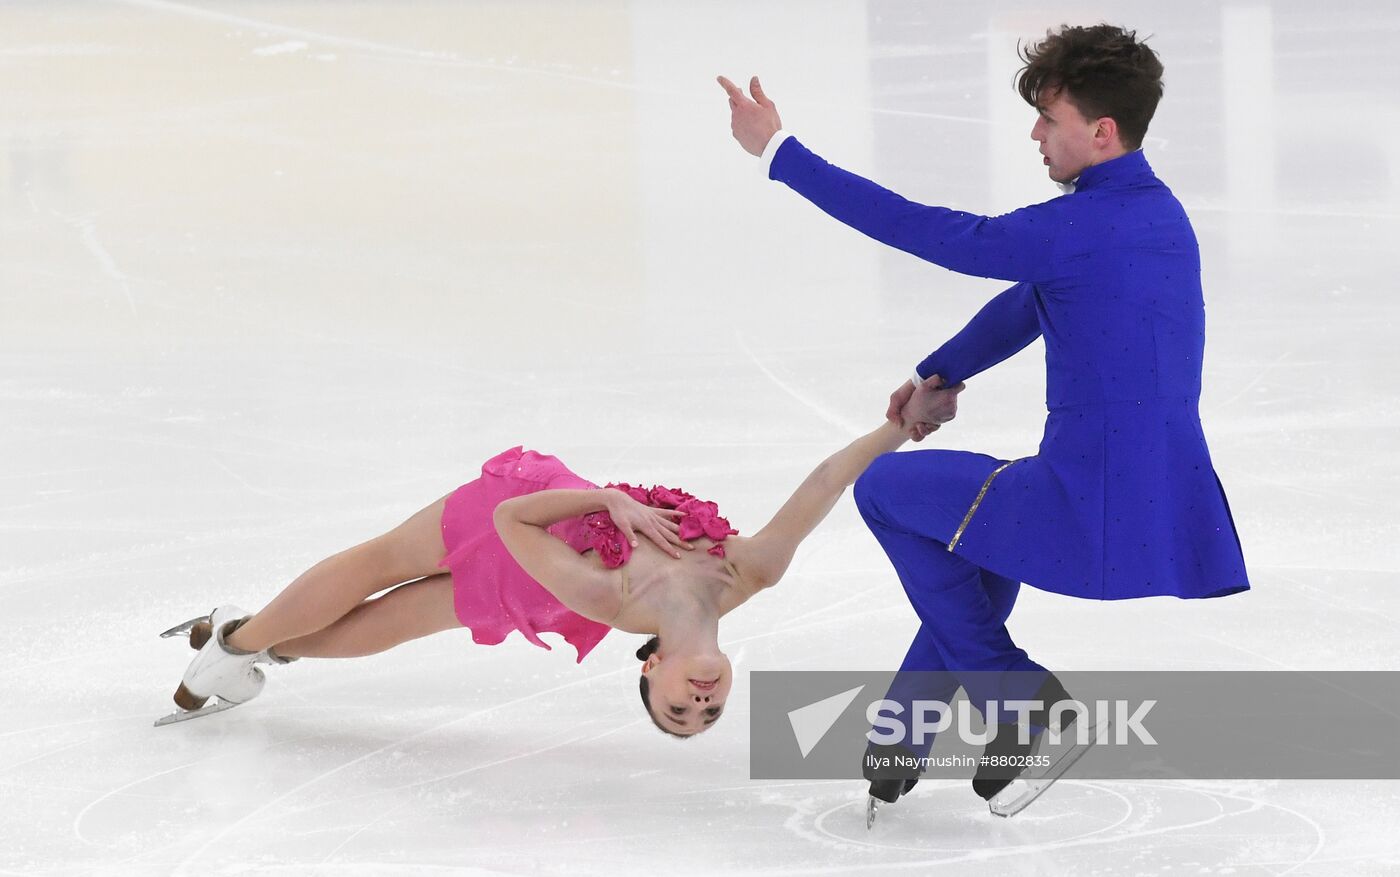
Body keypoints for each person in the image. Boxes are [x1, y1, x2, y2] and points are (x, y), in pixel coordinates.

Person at [719, 23, 1250, 805]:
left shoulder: (1075, 228)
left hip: (1088, 498)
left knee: (886, 492)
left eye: (1050, 118)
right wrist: (939, 373)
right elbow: (1034, 301)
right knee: (977, 535)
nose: (1036, 133)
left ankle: (1019, 695)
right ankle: (902, 738)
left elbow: (931, 232)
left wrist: (780, 153)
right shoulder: (1156, 216)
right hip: (1157, 491)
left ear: (1101, 132)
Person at [159, 385, 963, 737]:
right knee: (384, 578)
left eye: (678, 710)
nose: (700, 703)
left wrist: (607, 505)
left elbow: (511, 520)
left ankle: (239, 642)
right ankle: (243, 643)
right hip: (540, 554)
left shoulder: (620, 602)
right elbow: (825, 482)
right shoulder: (751, 570)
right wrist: (902, 424)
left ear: (650, 673)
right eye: (708, 714)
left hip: (533, 540)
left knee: (388, 586)